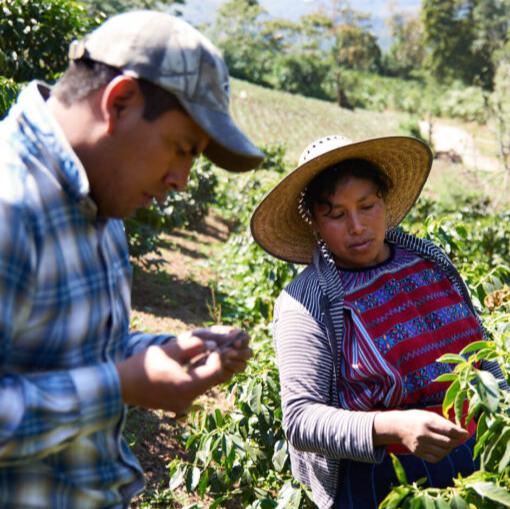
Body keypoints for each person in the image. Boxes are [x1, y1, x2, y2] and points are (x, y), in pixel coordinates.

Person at [0, 10, 263, 509]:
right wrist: (121, 384)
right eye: (182, 148)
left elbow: (72, 350)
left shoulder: (101, 205)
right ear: (119, 102)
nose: (182, 179)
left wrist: (167, 349)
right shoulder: (9, 203)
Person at [250, 135, 506, 508]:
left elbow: (479, 345)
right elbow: (301, 420)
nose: (356, 226)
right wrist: (394, 427)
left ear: (384, 202)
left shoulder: (428, 261)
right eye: (336, 215)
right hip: (381, 480)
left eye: (367, 206)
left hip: (477, 452)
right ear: (315, 224)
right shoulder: (308, 300)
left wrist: (503, 406)